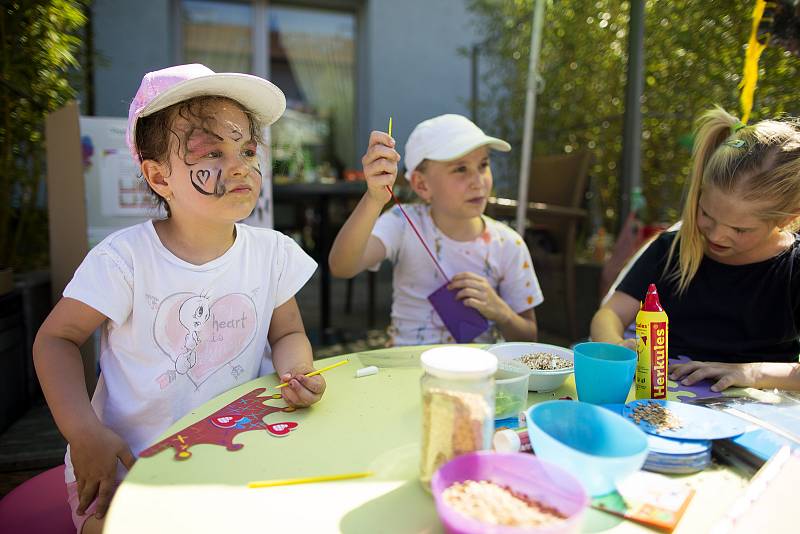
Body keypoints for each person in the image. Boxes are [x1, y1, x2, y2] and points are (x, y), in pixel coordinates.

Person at [33, 64, 324, 534]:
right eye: (213, 152)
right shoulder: (124, 260)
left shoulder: (271, 253)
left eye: (247, 149)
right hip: (126, 468)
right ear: (159, 176)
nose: (240, 166)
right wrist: (83, 433)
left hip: (234, 456)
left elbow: (287, 331)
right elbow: (56, 340)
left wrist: (297, 370)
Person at [591, 107, 800, 392]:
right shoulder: (671, 249)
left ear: (788, 217)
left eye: (740, 230)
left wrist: (751, 373)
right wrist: (617, 347)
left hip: (759, 413)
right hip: (667, 400)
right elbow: (609, 314)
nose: (716, 235)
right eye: (706, 214)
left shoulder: (792, 268)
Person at [329, 114, 543, 345]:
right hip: (408, 370)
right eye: (461, 169)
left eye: (483, 165)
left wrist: (502, 312)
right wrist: (373, 198)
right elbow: (342, 266)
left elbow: (529, 337)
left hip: (476, 375)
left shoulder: (509, 244)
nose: (478, 180)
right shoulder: (402, 223)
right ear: (422, 185)